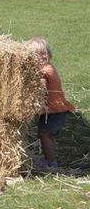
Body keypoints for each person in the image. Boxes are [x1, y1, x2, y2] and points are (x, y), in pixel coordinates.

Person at [26, 37, 75, 170]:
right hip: (55, 110)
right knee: (46, 134)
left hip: (54, 110)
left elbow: (41, 87)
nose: (42, 56)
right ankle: (49, 157)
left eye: (43, 53)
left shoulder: (45, 71)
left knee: (45, 135)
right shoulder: (49, 67)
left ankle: (51, 162)